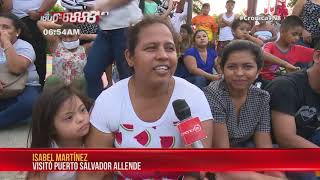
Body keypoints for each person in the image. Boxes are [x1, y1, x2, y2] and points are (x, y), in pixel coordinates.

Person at [77, 16, 213, 180]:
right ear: (129, 57)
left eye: (169, 48)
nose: (163, 55)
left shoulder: (193, 97)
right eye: (151, 48)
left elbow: (196, 172)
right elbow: (94, 171)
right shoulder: (109, 101)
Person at [204, 40, 287, 180]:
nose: (239, 73)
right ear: (222, 69)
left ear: (258, 70)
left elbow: (263, 142)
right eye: (231, 67)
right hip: (217, 156)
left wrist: (274, 172)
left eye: (248, 67)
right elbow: (222, 155)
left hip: (246, 149)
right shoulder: (213, 94)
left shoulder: (262, 97)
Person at [265, 41, 320, 180]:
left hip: (308, 141)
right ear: (317, 57)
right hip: (274, 149)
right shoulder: (286, 86)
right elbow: (286, 139)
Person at [27, 85, 92, 180]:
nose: (81, 119)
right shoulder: (46, 151)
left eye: (82, 110)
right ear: (51, 127)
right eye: (69, 117)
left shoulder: (94, 139)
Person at [85, 0, 143, 99]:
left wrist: (105, 5)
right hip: (104, 31)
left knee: (127, 78)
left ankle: (130, 111)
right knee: (91, 72)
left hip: (127, 27)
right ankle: (96, 110)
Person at [0, 13, 41, 128]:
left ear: (17, 31)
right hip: (3, 88)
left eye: (6, 27)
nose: (1, 30)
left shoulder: (25, 46)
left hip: (26, 86)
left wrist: (6, 42)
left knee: (30, 103)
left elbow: (16, 68)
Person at [11, 0, 57, 87]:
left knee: (37, 56)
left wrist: (39, 12)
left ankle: (39, 89)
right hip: (11, 18)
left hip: (32, 18)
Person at [37, 21, 92, 92]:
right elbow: (40, 24)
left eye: (71, 36)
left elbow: (100, 37)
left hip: (77, 89)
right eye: (65, 36)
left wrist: (84, 36)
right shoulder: (56, 44)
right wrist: (64, 28)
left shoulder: (85, 48)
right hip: (57, 88)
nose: (68, 40)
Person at [261, 15, 314, 81]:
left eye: (299, 35)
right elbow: (263, 54)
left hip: (284, 84)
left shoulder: (297, 49)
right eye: (294, 34)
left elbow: (316, 54)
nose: (297, 38)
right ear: (282, 31)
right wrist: (286, 64)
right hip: (265, 82)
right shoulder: (270, 46)